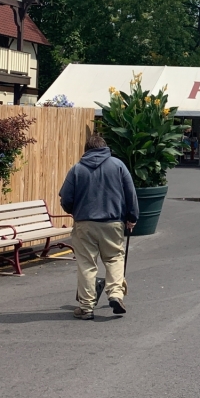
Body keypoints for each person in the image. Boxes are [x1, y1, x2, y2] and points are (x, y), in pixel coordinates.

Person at [59, 133, 139, 320]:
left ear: (86, 150)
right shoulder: (118, 166)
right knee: (114, 258)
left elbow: (66, 198)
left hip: (84, 223)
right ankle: (115, 294)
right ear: (105, 148)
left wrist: (75, 211)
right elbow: (130, 193)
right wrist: (132, 217)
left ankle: (86, 307)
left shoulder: (77, 169)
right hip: (113, 222)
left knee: (87, 264)